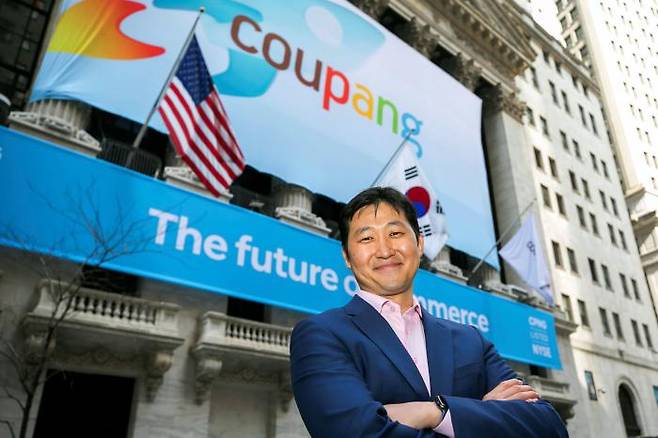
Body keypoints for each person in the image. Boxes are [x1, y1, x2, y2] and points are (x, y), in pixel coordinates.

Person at [290, 187, 568, 437]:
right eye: (366, 239)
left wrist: (434, 411)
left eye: (395, 233)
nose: (384, 249)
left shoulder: (470, 340)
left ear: (420, 244)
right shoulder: (321, 335)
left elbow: (548, 427)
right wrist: (478, 414)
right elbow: (354, 433)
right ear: (347, 257)